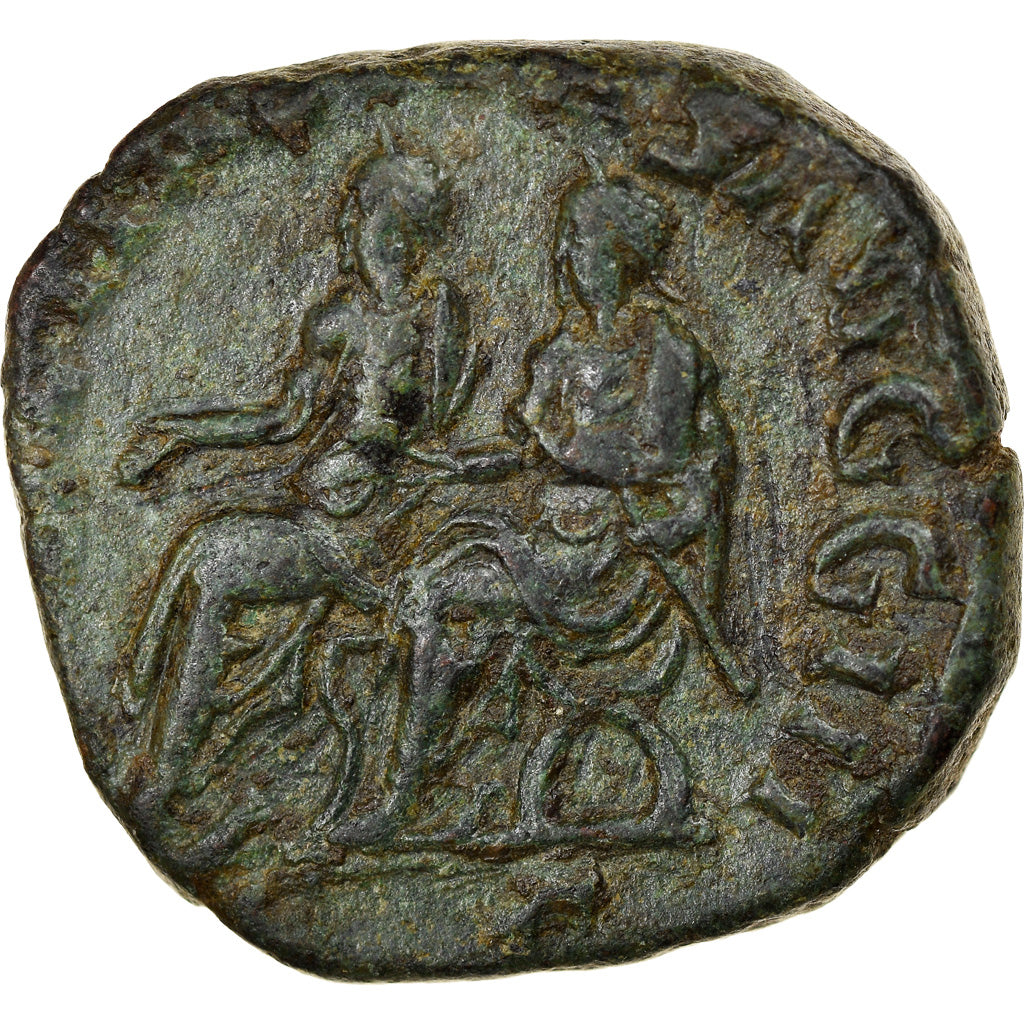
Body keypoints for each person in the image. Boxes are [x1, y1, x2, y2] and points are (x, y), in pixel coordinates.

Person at [324, 172, 745, 848]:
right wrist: (461, 463)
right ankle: (445, 769)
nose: (564, 255)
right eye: (565, 241)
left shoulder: (666, 348)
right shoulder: (559, 351)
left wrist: (558, 441)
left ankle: (408, 799)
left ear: (616, 252)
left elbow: (659, 457)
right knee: (419, 584)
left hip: (617, 554)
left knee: (437, 597)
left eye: (578, 240)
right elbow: (529, 453)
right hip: (550, 538)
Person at [116, 142, 484, 835]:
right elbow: (284, 421)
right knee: (201, 553)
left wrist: (394, 463)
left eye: (361, 210)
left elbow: (436, 429)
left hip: (376, 522)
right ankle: (168, 759)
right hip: (328, 506)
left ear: (391, 223)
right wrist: (179, 436)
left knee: (213, 569)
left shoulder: (437, 313)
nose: (347, 224)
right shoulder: (339, 319)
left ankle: (169, 773)